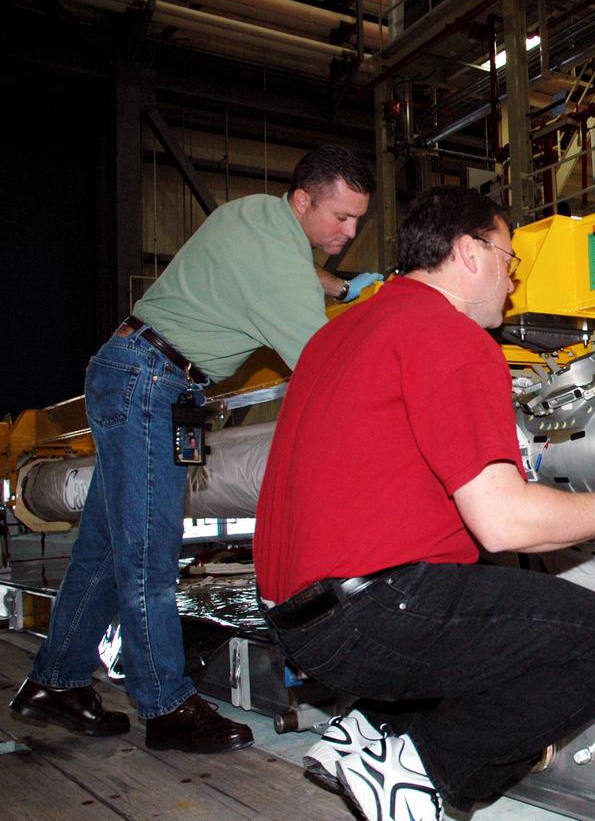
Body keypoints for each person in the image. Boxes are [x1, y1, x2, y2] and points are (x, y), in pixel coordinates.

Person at [254, 186, 595, 821]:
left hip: (296, 621)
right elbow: (505, 522)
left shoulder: (340, 333)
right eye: (509, 261)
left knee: (478, 590)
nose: (512, 284)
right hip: (366, 617)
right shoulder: (448, 334)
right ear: (468, 252)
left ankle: (365, 731)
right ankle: (423, 768)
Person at [9, 144, 381, 754]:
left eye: (358, 220)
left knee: (106, 548)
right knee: (149, 556)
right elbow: (324, 368)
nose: (349, 232)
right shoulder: (276, 260)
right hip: (150, 384)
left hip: (134, 373)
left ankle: (57, 681)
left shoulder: (256, 216)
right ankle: (166, 707)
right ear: (302, 200)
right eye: (340, 217)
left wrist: (341, 287)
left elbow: (295, 270)